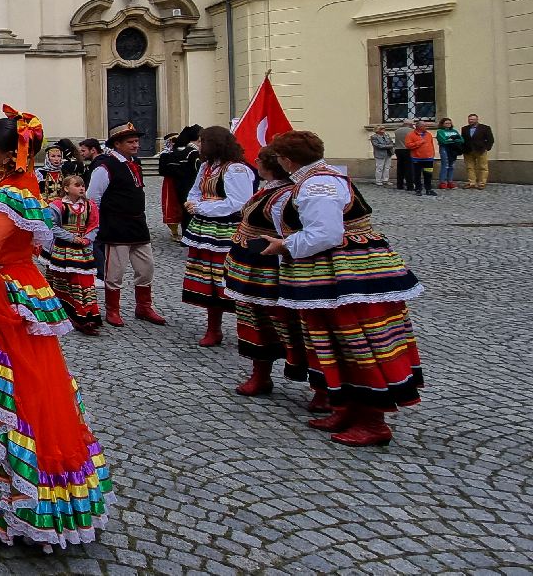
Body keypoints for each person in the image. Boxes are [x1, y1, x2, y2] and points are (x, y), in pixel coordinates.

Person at [0, 108, 112, 545]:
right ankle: (36, 491)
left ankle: (0, 494)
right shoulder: (21, 187)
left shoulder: (4, 195)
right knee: (32, 384)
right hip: (20, 289)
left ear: (11, 154)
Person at [262, 131, 424, 446]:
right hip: (333, 275)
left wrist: (284, 245)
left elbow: (326, 233)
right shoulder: (319, 177)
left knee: (356, 343)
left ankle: (372, 421)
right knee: (332, 342)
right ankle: (347, 406)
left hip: (348, 277)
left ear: (287, 159)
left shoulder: (317, 184)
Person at [221, 148, 309, 400]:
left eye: (259, 159)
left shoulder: (284, 195)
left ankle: (319, 386)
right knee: (254, 322)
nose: (255, 162)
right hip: (251, 270)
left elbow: (288, 232)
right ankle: (260, 374)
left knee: (288, 324)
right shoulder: (269, 188)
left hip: (272, 269)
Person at [181, 126, 256, 348]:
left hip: (226, 230)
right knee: (208, 280)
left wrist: (201, 208)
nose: (199, 145)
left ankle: (249, 329)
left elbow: (240, 203)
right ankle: (213, 327)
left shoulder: (236, 170)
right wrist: (193, 202)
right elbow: (195, 190)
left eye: (203, 141)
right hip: (205, 230)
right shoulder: (206, 167)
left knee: (229, 279)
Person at [87, 123, 165, 327]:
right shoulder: (105, 166)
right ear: (117, 144)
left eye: (137, 141)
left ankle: (144, 306)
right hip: (116, 226)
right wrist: (97, 224)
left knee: (146, 268)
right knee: (115, 271)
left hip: (138, 224)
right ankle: (113, 310)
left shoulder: (135, 163)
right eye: (130, 142)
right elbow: (93, 197)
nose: (136, 145)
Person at [45, 175, 102, 335]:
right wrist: (71, 237)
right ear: (66, 188)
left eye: (83, 185)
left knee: (84, 281)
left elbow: (94, 224)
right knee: (64, 280)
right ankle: (69, 312)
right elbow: (52, 226)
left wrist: (87, 239)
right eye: (77, 185)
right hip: (63, 249)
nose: (82, 188)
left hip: (83, 250)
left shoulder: (89, 205)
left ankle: (86, 314)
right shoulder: (57, 205)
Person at [158, 125, 202, 241]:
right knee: (181, 207)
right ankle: (183, 233)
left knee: (182, 207)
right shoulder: (191, 152)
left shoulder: (186, 151)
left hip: (179, 182)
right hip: (181, 183)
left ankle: (185, 233)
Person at [404, 121, 438, 197]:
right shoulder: (410, 135)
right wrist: (419, 142)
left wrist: (432, 154)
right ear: (418, 127)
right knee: (417, 175)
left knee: (428, 175)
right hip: (417, 159)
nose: (426, 127)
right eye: (424, 126)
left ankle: (428, 189)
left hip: (428, 159)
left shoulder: (428, 134)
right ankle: (418, 189)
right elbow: (408, 145)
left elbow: (431, 144)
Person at [461, 113, 495, 188]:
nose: (471, 121)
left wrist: (486, 148)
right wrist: (463, 149)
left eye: (472, 119)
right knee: (469, 167)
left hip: (480, 150)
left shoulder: (485, 128)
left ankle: (482, 183)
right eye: (469, 119)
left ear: (477, 119)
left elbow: (490, 139)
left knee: (483, 167)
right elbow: (463, 139)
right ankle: (471, 182)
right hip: (468, 150)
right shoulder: (464, 128)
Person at [434, 117, 463, 190]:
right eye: (446, 123)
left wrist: (450, 139)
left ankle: (450, 181)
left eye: (449, 123)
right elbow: (443, 141)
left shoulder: (454, 131)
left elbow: (461, 140)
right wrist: (454, 139)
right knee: (445, 165)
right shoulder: (440, 131)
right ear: (443, 124)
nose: (448, 124)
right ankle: (442, 182)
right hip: (444, 149)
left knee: (452, 166)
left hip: (453, 150)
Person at [393, 120, 414, 191]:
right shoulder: (412, 131)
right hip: (407, 150)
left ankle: (399, 185)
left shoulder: (397, 131)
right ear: (410, 124)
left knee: (400, 168)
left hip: (398, 150)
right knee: (409, 168)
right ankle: (410, 186)